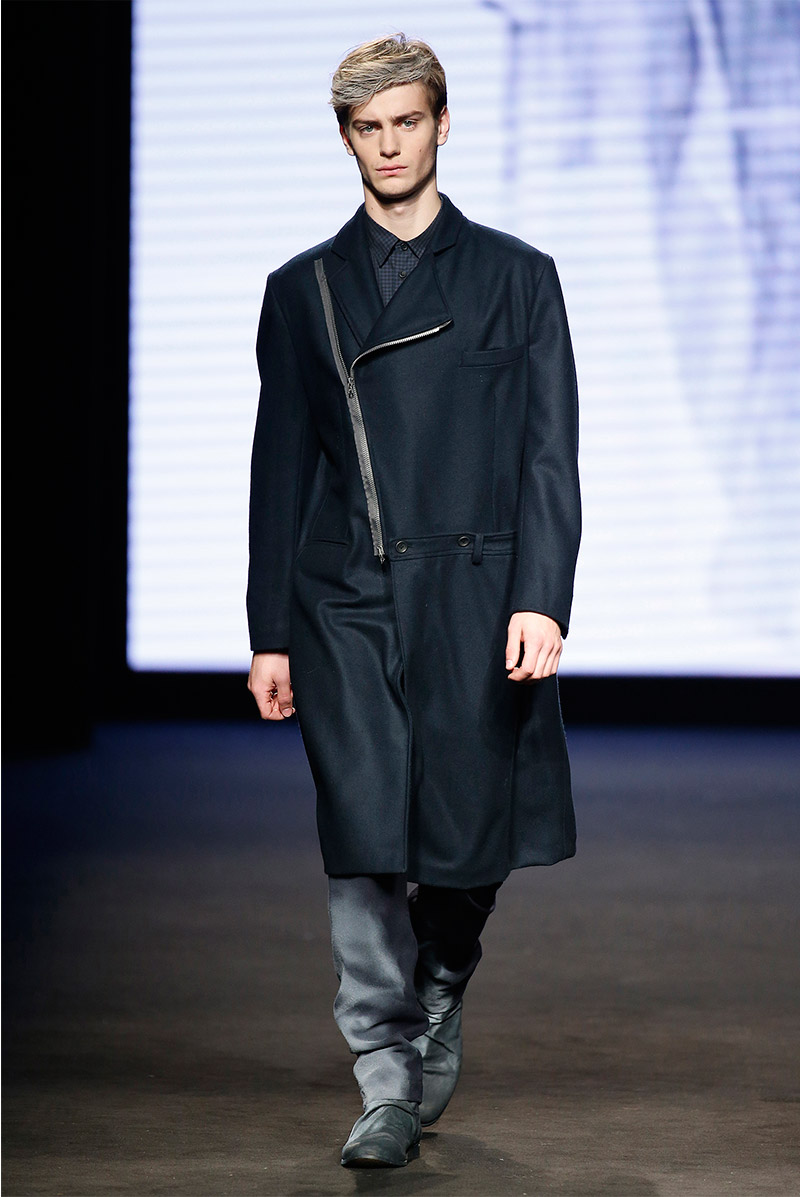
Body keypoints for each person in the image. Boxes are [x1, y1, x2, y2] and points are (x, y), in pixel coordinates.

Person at [246, 33, 581, 1169]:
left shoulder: (516, 276)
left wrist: (541, 597)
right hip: (344, 594)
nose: (388, 145)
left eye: (405, 121)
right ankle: (385, 1077)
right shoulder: (301, 290)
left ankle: (443, 977)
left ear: (442, 125)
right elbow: (280, 470)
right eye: (367, 127)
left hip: (477, 592)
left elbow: (548, 454)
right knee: (360, 835)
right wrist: (271, 631)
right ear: (345, 139)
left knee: (465, 838)